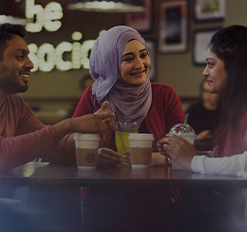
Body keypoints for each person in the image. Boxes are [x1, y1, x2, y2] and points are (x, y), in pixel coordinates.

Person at [0, 23, 113, 231]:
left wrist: (78, 138)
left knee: (60, 209)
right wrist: (68, 125)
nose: (30, 64)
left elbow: (51, 149)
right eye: (20, 56)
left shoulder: (14, 104)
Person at [66, 25, 186, 231]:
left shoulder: (165, 95)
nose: (140, 64)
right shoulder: (94, 97)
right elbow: (66, 143)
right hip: (104, 199)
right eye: (128, 59)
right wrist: (93, 154)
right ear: (110, 63)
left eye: (143, 55)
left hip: (158, 200)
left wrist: (160, 158)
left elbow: (185, 149)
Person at [158, 25, 247, 231]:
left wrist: (194, 160)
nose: (205, 72)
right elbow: (232, 153)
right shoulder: (236, 107)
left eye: (211, 64)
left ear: (235, 66)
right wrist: (188, 153)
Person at [185, 78, 221, 151]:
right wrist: (196, 138)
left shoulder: (225, 110)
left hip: (219, 150)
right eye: (204, 91)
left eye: (211, 91)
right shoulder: (193, 109)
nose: (207, 95)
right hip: (196, 150)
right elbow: (183, 134)